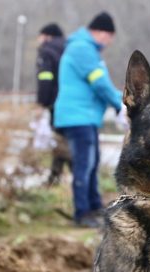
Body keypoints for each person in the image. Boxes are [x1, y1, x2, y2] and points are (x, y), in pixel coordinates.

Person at [54, 12, 123, 228]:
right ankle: (82, 212)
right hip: (77, 116)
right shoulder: (82, 49)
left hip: (86, 116)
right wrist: (121, 105)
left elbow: (102, 83)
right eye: (109, 37)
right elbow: (100, 83)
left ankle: (94, 207)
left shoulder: (87, 49)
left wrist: (121, 102)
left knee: (92, 162)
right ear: (101, 32)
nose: (108, 42)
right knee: (84, 164)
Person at [35, 23, 71, 186]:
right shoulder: (70, 49)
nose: (39, 40)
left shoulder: (47, 51)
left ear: (48, 36)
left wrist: (42, 102)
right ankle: (55, 176)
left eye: (40, 36)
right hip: (71, 101)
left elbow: (45, 79)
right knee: (64, 138)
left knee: (60, 139)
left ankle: (69, 176)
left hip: (55, 102)